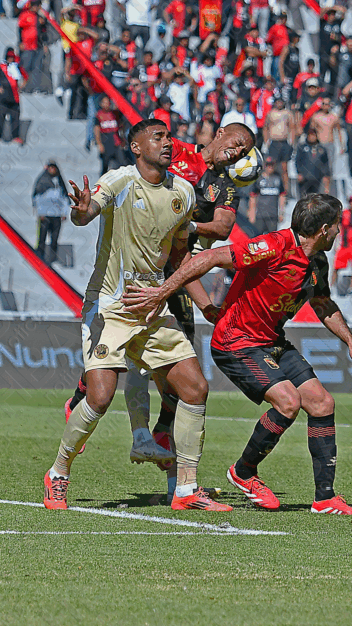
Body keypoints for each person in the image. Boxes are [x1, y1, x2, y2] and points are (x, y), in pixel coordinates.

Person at [125, 194, 352, 514]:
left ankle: (325, 498)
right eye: (337, 225)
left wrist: (351, 343)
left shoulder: (317, 262)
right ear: (324, 229)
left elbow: (322, 303)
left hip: (271, 342)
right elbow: (211, 257)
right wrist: (162, 292)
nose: (339, 231)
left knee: (322, 403)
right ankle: (244, 472)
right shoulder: (273, 246)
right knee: (288, 402)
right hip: (235, 341)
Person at [43, 119, 231, 512]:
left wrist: (200, 303)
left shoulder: (183, 192)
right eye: (158, 137)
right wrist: (81, 212)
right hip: (110, 306)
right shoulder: (120, 180)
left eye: (169, 136)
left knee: (195, 388)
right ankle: (58, 473)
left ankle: (186, 490)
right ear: (136, 146)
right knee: (99, 397)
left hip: (151, 307)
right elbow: (87, 212)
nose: (168, 142)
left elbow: (180, 254)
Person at [0, 47, 28, 145]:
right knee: (0, 118)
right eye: (9, 57)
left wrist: (21, 87)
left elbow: (25, 77)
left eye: (12, 57)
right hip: (3, 97)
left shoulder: (17, 67)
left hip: (14, 97)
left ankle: (16, 136)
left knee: (15, 118)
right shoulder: (0, 66)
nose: (10, 59)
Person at [32, 161, 70, 262]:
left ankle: (53, 258)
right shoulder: (42, 180)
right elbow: (37, 198)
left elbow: (65, 198)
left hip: (57, 214)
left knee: (55, 238)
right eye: (50, 168)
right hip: (45, 214)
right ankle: (39, 256)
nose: (52, 170)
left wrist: (64, 213)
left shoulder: (59, 181)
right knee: (42, 237)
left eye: (54, 168)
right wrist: (40, 213)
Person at [249, 156, 286, 235]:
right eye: (268, 165)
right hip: (260, 215)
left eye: (272, 165)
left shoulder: (278, 178)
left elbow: (282, 196)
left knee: (273, 238)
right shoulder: (259, 179)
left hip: (273, 215)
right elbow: (253, 196)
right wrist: (252, 213)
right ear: (264, 166)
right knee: (257, 238)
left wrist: (281, 213)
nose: (270, 167)